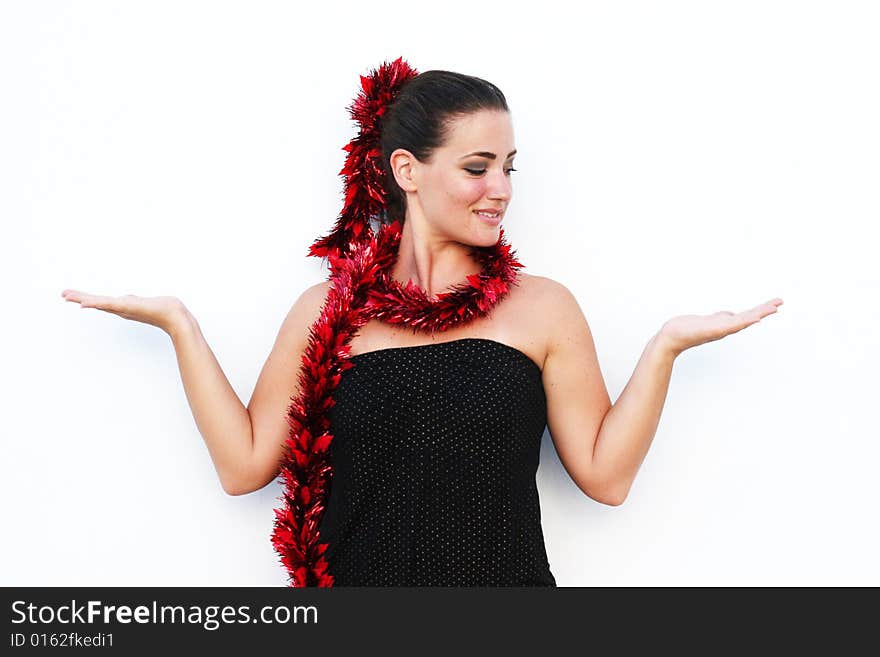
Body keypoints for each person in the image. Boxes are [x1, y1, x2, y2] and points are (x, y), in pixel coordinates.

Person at [60, 62, 783, 587]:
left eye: (509, 166)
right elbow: (244, 464)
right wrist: (179, 325)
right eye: (477, 167)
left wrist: (666, 347)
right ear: (407, 169)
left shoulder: (543, 308)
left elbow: (606, 476)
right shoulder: (327, 314)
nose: (500, 188)